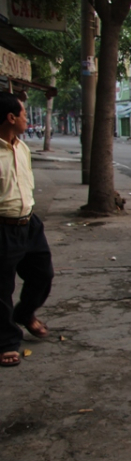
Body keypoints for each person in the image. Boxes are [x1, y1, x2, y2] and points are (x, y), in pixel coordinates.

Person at [0, 92, 54, 367]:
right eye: (22, 114)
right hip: (3, 226)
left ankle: (25, 312)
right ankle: (7, 342)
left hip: (29, 223)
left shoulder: (22, 147)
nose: (25, 119)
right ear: (11, 118)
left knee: (43, 274)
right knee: (2, 288)